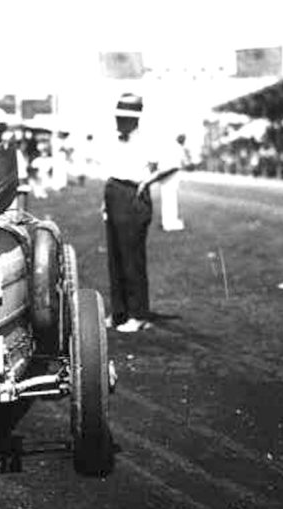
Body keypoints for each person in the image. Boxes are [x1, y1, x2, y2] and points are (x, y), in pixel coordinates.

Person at [103, 93, 184, 333]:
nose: (120, 121)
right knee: (115, 257)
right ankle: (119, 312)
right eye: (119, 117)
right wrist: (105, 203)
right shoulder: (116, 140)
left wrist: (148, 181)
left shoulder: (150, 140)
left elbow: (172, 163)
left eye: (125, 118)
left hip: (133, 196)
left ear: (135, 119)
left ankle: (138, 314)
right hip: (114, 193)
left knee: (132, 258)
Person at [158, 133, 191, 231]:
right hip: (170, 178)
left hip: (165, 178)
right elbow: (176, 165)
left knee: (167, 201)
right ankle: (170, 223)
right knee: (170, 201)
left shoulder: (170, 148)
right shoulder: (178, 149)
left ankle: (167, 222)